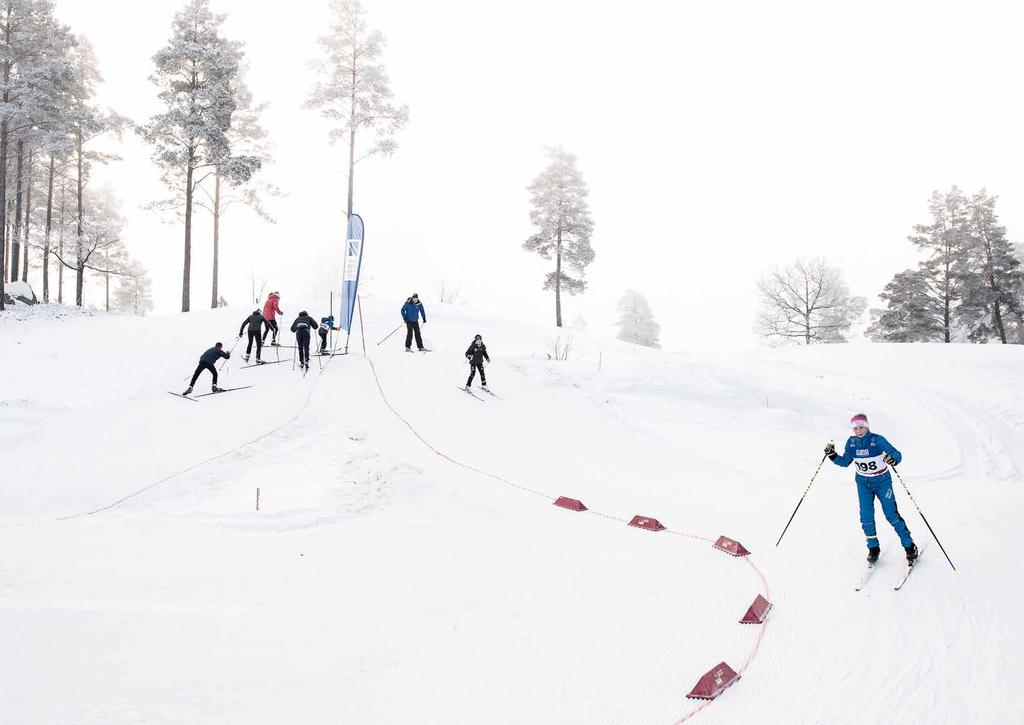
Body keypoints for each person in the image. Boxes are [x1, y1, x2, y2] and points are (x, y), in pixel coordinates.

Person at [825, 413, 917, 564]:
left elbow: (897, 454)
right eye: (855, 428)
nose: (859, 431)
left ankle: (909, 546)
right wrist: (832, 455)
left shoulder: (877, 440)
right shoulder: (851, 442)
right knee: (866, 517)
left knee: (891, 515)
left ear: (867, 427)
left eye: (861, 427)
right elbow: (845, 462)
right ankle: (873, 548)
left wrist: (892, 458)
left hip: (882, 482)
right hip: (863, 483)